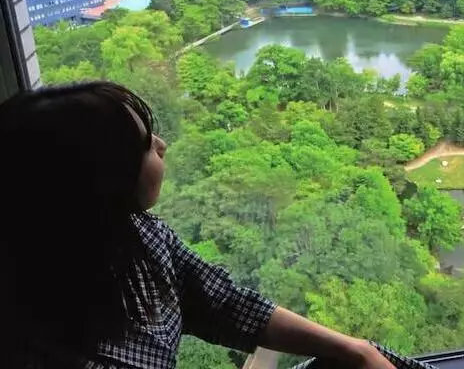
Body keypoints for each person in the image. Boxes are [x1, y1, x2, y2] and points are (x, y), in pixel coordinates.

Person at [0, 81, 396, 368]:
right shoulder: (35, 334)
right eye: (143, 144)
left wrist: (353, 349)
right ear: (100, 176)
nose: (162, 144)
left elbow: (226, 304)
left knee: (361, 358)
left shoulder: (137, 237)